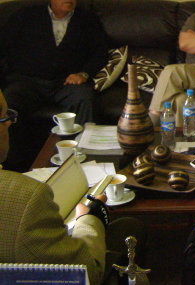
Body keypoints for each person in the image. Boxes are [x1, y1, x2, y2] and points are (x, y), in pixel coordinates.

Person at [0, 89, 146, 285]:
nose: (9, 123)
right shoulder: (26, 198)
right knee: (131, 227)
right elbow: (85, 273)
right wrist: (90, 218)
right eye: (4, 118)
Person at [1, 0, 108, 171]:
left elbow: (100, 52)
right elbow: (4, 47)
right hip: (28, 82)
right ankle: (13, 165)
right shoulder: (25, 16)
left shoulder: (87, 20)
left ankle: (85, 158)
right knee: (9, 101)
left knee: (84, 97)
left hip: (66, 83)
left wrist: (84, 74)